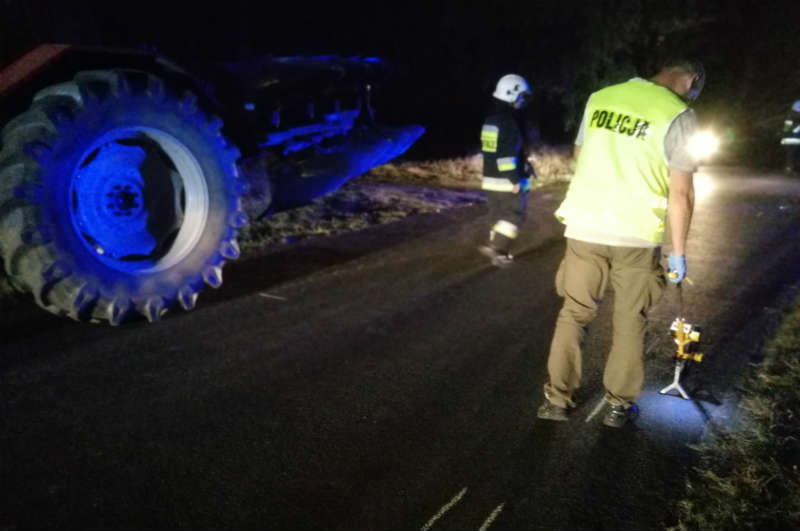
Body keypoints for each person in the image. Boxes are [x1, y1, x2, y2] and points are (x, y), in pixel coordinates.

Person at [536, 58, 704, 428]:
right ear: (690, 78)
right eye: (693, 91)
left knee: (574, 313)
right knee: (630, 320)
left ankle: (557, 401)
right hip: (636, 234)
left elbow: (580, 156)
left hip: (584, 227)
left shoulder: (601, 98)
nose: (691, 98)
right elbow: (682, 193)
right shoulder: (678, 115)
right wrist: (678, 253)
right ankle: (617, 406)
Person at [478, 74, 537, 266]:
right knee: (514, 215)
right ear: (511, 94)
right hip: (506, 181)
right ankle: (499, 250)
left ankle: (493, 244)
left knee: (497, 214)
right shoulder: (509, 123)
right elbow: (505, 156)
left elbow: (493, 152)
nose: (523, 102)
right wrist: (514, 180)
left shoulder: (491, 120)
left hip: (489, 178)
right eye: (522, 97)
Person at [781, 100, 800, 173]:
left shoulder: (790, 116)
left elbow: (786, 128)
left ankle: (789, 169)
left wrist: (784, 136)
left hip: (789, 139)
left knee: (790, 155)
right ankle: (795, 169)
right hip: (798, 139)